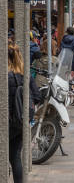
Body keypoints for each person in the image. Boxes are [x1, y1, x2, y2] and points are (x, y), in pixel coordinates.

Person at [8, 42, 42, 183]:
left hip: (7, 122)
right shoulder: (25, 75)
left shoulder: (5, 76)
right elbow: (37, 96)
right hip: (20, 121)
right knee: (15, 156)